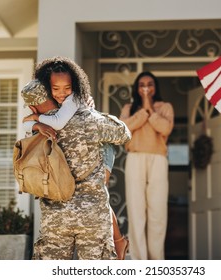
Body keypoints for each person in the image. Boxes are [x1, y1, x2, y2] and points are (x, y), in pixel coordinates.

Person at [21, 56, 131, 260]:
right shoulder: (90, 119)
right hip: (92, 215)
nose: (62, 93)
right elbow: (123, 133)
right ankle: (119, 241)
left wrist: (36, 120)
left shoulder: (36, 129)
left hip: (55, 218)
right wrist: (91, 111)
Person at [119, 71, 174, 260]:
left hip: (158, 159)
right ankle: (139, 261)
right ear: (136, 88)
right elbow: (122, 130)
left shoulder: (165, 107)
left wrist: (150, 108)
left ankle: (156, 262)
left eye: (150, 84)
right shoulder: (129, 108)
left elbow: (165, 128)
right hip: (135, 158)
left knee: (157, 212)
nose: (146, 87)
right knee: (136, 210)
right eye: (142, 84)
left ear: (155, 87)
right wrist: (143, 111)